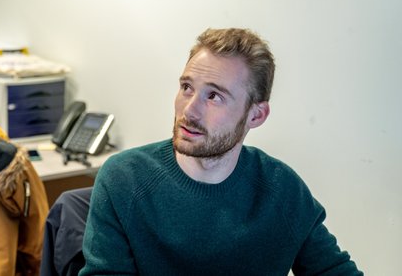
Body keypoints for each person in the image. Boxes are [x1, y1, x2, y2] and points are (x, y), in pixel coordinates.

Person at [80, 28, 363, 275]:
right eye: (187, 87)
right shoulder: (124, 180)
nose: (189, 110)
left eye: (214, 96)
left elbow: (333, 270)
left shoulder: (281, 189)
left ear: (256, 115)